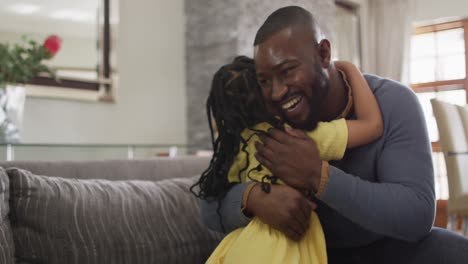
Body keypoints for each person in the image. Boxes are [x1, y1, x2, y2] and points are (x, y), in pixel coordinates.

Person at [200, 6, 468, 264]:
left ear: (324, 54)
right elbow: (208, 205)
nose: (277, 93)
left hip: (386, 248)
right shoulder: (265, 118)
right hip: (307, 252)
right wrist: (254, 197)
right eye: (265, 81)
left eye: (288, 71)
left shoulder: (394, 102)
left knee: (453, 251)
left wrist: (319, 176)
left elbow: (417, 214)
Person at [193, 55, 383, 263]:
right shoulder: (297, 138)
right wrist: (349, 68)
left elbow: (210, 201)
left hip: (239, 246)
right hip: (284, 250)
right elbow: (372, 126)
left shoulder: (231, 151)